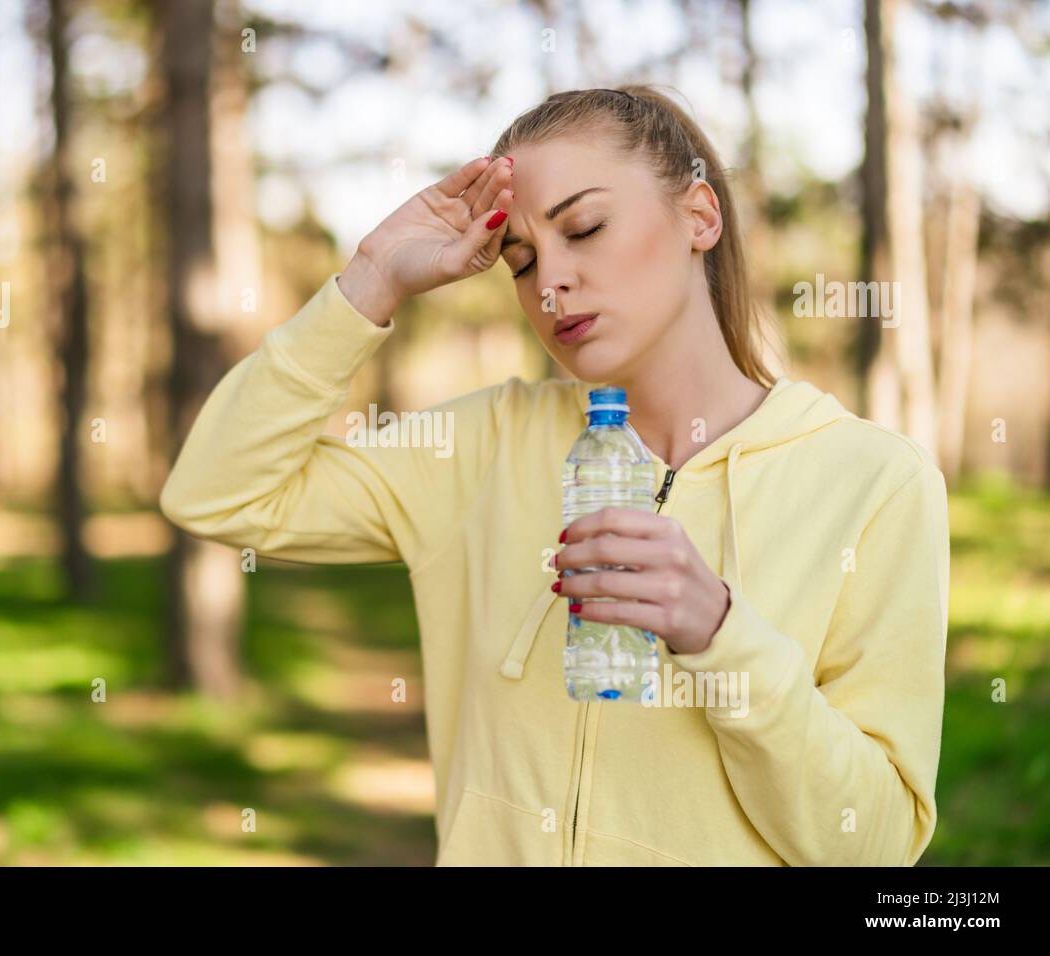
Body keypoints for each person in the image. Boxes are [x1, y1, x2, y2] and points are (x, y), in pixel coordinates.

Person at [160, 86, 949, 866]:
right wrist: (372, 277)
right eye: (522, 259)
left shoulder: (875, 482)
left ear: (699, 216)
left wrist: (720, 635)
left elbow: (872, 845)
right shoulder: (482, 445)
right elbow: (218, 490)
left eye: (585, 227)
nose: (549, 283)